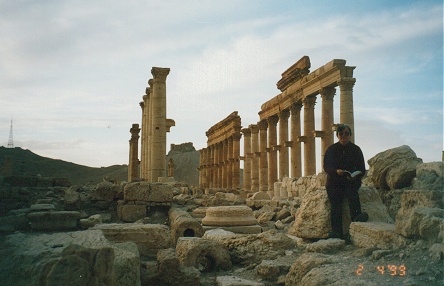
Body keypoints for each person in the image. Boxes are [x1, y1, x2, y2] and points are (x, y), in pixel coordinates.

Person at [323, 124, 368, 239]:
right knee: (336, 202)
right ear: (337, 135)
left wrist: (354, 176)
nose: (344, 136)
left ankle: (357, 219)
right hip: (335, 181)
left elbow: (362, 169)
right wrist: (336, 171)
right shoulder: (331, 149)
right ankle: (337, 232)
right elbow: (327, 167)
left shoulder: (356, 150)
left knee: (352, 194)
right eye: (341, 134)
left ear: (350, 135)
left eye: (346, 134)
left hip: (351, 181)